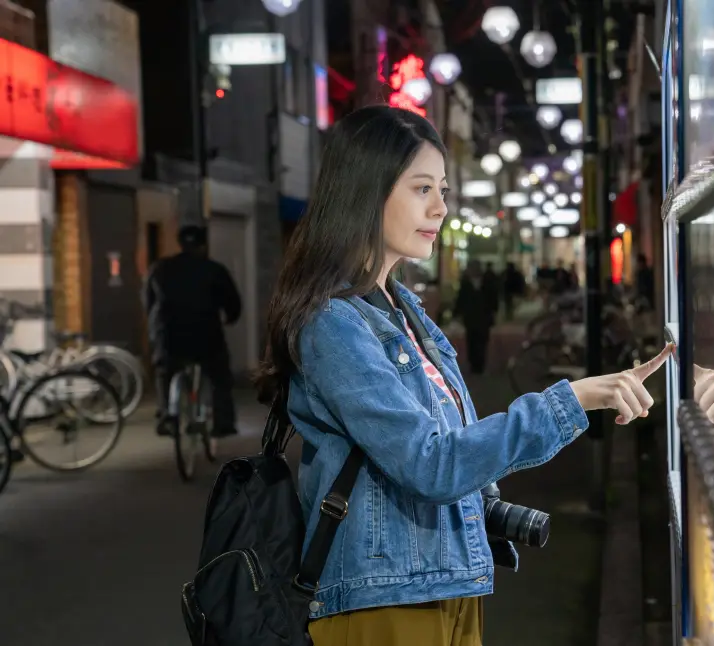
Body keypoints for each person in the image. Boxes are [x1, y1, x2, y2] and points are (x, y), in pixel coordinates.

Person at [255, 105, 671, 646]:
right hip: (384, 597)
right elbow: (433, 463)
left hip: (444, 587)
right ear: (366, 190)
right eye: (422, 189)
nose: (441, 208)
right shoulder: (332, 323)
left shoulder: (402, 310)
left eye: (444, 190)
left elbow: (454, 449)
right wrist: (575, 398)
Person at [143, 225, 242, 438]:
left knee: (164, 372)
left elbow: (148, 303)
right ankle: (223, 423)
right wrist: (230, 317)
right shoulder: (214, 270)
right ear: (203, 245)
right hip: (205, 336)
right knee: (219, 375)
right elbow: (232, 303)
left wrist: (154, 329)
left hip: (168, 336)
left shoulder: (159, 268)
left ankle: (166, 416)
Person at [453, 260, 496, 374]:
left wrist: (493, 311)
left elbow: (493, 298)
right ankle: (473, 364)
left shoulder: (487, 281)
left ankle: (480, 364)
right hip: (470, 317)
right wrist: (456, 313)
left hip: (484, 317)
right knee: (471, 341)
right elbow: (461, 300)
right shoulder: (465, 283)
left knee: (483, 341)